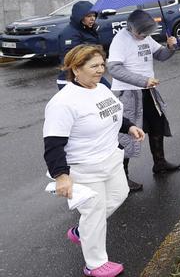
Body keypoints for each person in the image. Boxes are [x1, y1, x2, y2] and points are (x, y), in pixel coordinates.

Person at [44, 44, 145, 277]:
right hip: (84, 168)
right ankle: (95, 264)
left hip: (111, 159)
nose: (100, 70)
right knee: (95, 210)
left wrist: (129, 127)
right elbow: (53, 145)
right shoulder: (64, 103)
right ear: (76, 69)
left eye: (102, 64)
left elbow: (113, 113)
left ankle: (82, 231)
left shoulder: (100, 88)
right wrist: (62, 176)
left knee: (119, 195)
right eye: (94, 66)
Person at [106, 10, 178, 193]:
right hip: (128, 94)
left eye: (147, 33)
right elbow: (114, 69)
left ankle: (160, 162)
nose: (144, 36)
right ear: (131, 28)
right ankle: (122, 178)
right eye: (141, 33)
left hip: (148, 91)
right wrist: (142, 80)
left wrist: (170, 48)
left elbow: (160, 54)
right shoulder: (121, 40)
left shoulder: (145, 37)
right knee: (125, 134)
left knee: (157, 125)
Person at [57, 1, 108, 89]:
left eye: (94, 15)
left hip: (89, 73)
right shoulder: (69, 34)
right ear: (79, 18)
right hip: (72, 79)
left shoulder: (89, 30)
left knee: (108, 94)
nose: (92, 19)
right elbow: (71, 59)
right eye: (88, 16)